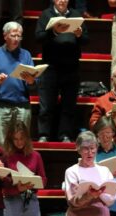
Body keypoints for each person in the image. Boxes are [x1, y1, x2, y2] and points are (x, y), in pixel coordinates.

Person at [35, 0, 89, 143]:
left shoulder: (76, 15)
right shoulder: (46, 15)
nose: (62, 1)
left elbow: (86, 39)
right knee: (46, 105)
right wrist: (53, 31)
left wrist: (79, 34)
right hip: (51, 67)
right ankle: (44, 134)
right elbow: (38, 37)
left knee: (69, 105)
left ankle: (65, 135)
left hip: (71, 67)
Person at [0, 22, 37, 145]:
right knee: (0, 145)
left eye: (19, 36)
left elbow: (34, 83)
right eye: (13, 35)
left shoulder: (26, 54)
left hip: (22, 106)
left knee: (22, 144)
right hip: (0, 107)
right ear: (5, 35)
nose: (16, 39)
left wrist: (31, 81)